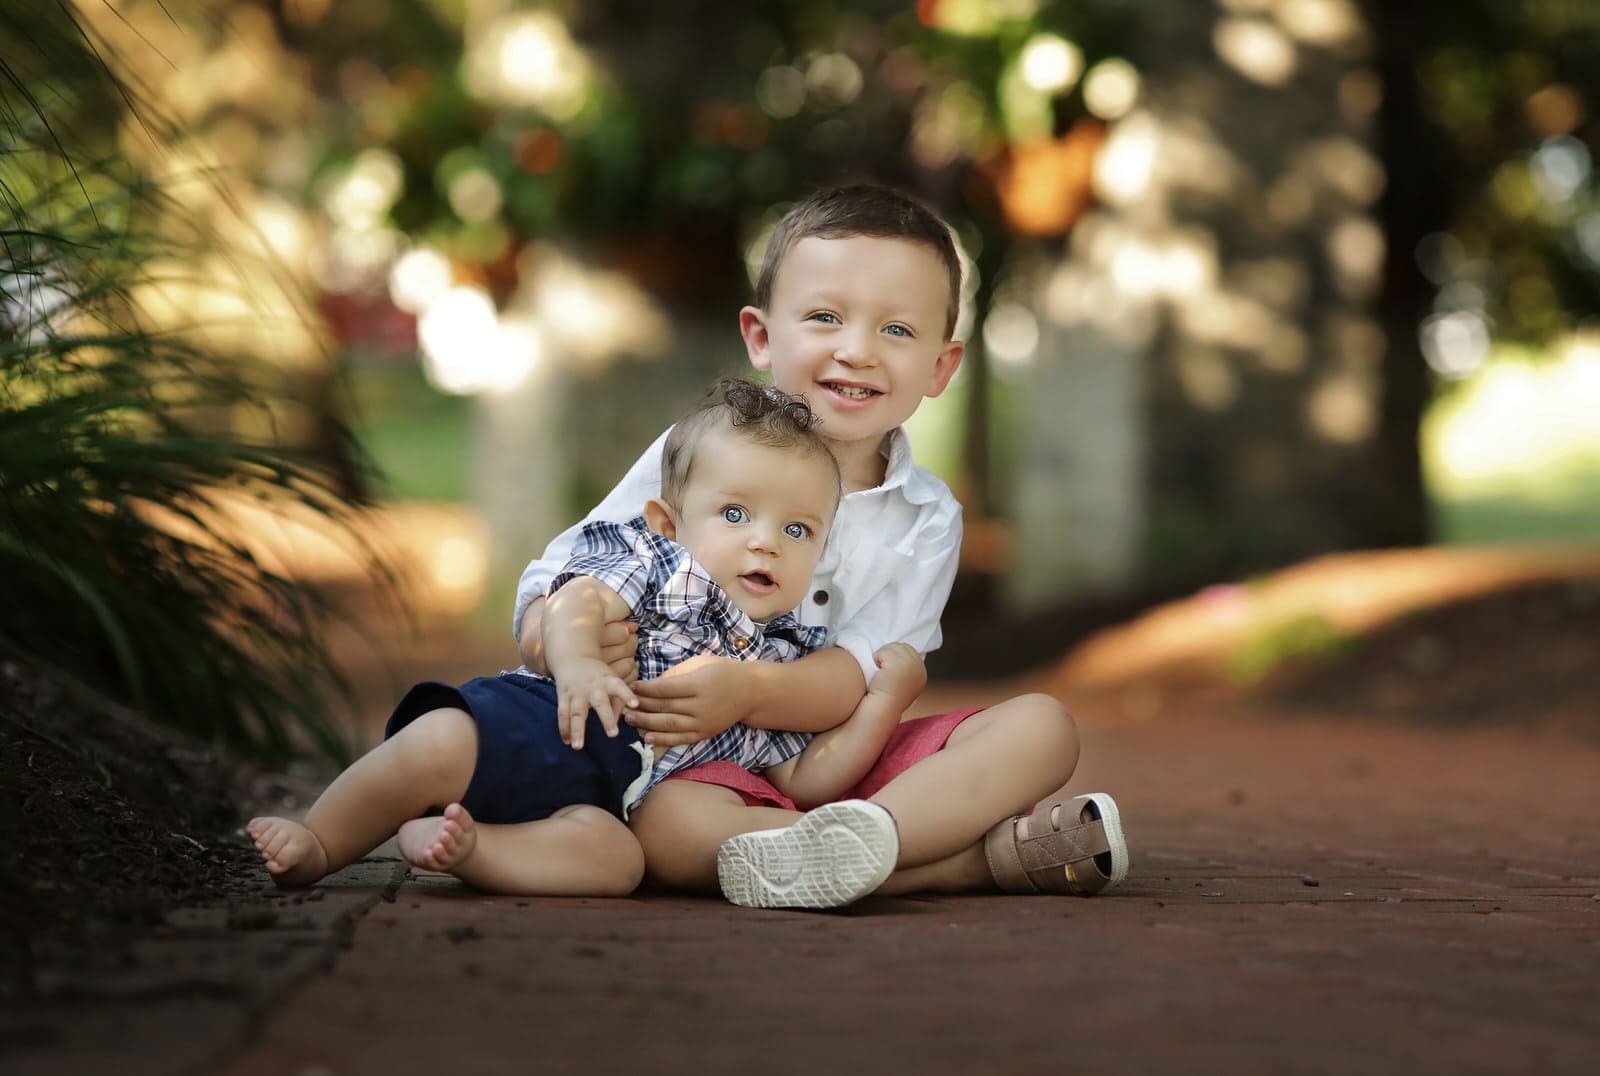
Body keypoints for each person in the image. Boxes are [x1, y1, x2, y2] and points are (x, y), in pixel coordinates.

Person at [514, 184, 1130, 909]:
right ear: (763, 337)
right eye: (825, 317)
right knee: (673, 831)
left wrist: (746, 689)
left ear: (941, 367)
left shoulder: (925, 518)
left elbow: (860, 679)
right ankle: (960, 863)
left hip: (840, 759)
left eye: (898, 330)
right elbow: (558, 582)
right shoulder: (698, 453)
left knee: (1042, 728)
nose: (857, 350)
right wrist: (568, 646)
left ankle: (848, 847)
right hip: (684, 765)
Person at [247, 379, 925, 898]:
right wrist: (575, 667)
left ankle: (473, 848)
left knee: (616, 864)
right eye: (736, 513)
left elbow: (808, 778)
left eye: (797, 530)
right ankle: (320, 839)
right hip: (535, 731)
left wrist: (882, 702)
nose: (764, 542)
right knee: (436, 745)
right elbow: (578, 601)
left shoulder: (783, 653)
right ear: (668, 522)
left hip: (604, 807)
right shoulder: (662, 565)